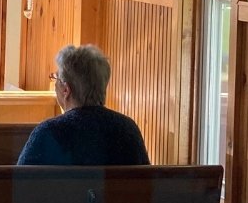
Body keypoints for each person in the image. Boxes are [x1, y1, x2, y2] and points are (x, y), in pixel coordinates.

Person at [17, 44, 149, 166]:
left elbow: (17, 185)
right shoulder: (128, 129)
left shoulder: (48, 132)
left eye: (56, 78)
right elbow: (147, 185)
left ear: (66, 90)